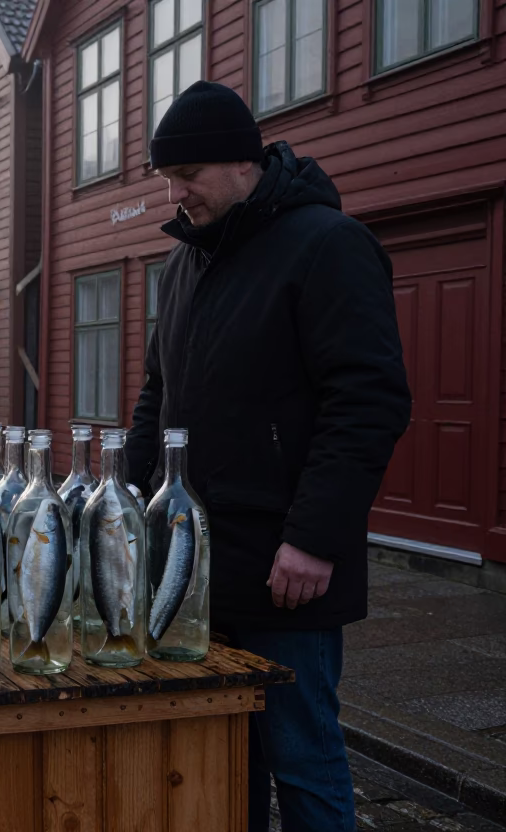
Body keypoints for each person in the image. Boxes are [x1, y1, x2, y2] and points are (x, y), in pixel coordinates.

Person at [125, 81, 410, 832]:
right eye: (166, 178)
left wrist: (313, 538)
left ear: (243, 164)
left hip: (289, 571)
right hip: (194, 566)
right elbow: (159, 398)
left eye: (188, 176)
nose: (175, 193)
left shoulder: (326, 244)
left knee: (303, 754)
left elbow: (368, 401)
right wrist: (125, 504)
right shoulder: (185, 266)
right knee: (222, 755)